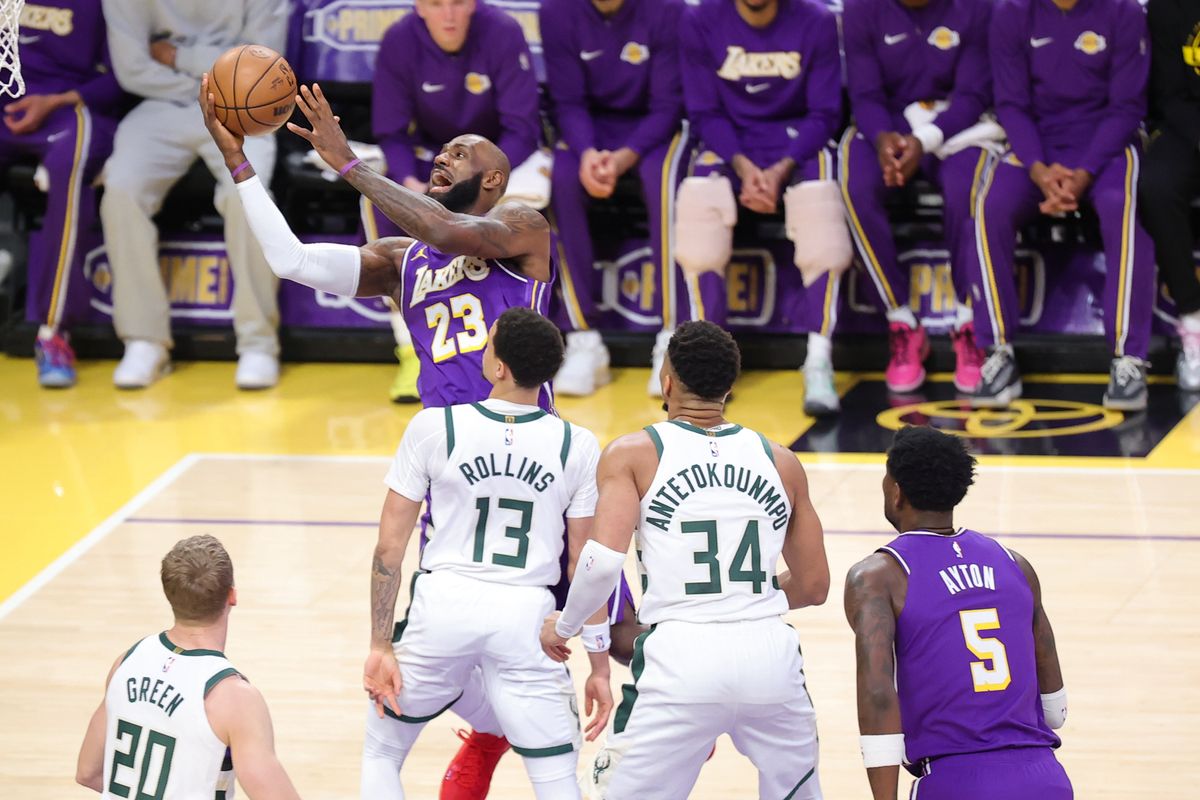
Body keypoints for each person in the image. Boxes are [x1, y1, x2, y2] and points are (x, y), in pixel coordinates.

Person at [200, 80, 640, 798]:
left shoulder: (522, 230)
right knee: (463, 642)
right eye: (438, 149)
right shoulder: (403, 261)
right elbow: (294, 263)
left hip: (540, 463)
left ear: (494, 178)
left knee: (612, 620)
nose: (442, 156)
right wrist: (241, 167)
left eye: (459, 151)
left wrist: (352, 168)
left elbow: (450, 231)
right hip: (452, 462)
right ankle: (501, 734)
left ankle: (658, 717)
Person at [541, 320, 831, 800]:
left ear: (667, 381)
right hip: (771, 660)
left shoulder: (634, 454)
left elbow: (601, 563)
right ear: (730, 386)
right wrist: (742, 597)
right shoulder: (781, 461)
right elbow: (815, 585)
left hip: (679, 660)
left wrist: (565, 625)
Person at [361, 307, 611, 800]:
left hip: (443, 605)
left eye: (488, 342)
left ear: (498, 367)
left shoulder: (434, 427)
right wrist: (598, 665)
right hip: (526, 614)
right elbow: (586, 558)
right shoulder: (577, 444)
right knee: (556, 779)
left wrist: (379, 644)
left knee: (382, 754)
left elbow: (390, 547)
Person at [844, 425, 1071, 799]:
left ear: (896, 491)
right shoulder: (1016, 564)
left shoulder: (877, 577)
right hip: (1046, 778)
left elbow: (878, 695)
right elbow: (1054, 713)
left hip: (957, 780)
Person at [970, 0, 1153, 410]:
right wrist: (1038, 169)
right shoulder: (1011, 13)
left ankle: (1129, 357)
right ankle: (997, 351)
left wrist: (1083, 171)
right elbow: (1012, 105)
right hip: (1037, 145)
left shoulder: (1124, 12)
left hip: (1106, 145)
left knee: (1121, 205)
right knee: (990, 205)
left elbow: (1127, 108)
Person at [99, 0, 287, 390]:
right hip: (163, 104)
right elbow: (133, 69)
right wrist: (218, 75)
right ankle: (144, 340)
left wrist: (176, 55)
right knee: (121, 188)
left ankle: (258, 342)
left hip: (243, 110)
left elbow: (268, 65)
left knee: (247, 197)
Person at [676, 0, 845, 416]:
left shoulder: (818, 20)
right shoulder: (700, 19)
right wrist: (744, 166)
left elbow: (825, 113)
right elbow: (703, 112)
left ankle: (819, 358)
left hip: (796, 142)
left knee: (820, 205)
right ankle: (706, 368)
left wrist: (781, 168)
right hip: (731, 142)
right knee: (699, 198)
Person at [370, 0, 541, 402]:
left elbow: (522, 128)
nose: (448, 14)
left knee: (527, 210)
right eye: (436, 3)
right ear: (419, 7)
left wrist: (481, 183)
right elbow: (391, 133)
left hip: (496, 161)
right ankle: (412, 348)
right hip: (433, 159)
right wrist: (413, 184)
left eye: (458, 3)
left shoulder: (502, 31)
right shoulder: (399, 39)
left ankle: (515, 351)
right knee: (377, 200)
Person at [74, 535, 303, 798]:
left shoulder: (127, 661)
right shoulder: (234, 698)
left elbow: (87, 772)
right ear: (232, 596)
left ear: (169, 595)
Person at [840, 0, 992, 394]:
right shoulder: (861, 9)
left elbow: (974, 95)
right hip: (887, 127)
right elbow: (865, 93)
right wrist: (882, 139)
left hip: (956, 128)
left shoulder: (978, 7)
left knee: (968, 187)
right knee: (854, 186)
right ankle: (901, 320)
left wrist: (924, 141)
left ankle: (968, 321)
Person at [539, 0, 689, 398]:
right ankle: (583, 339)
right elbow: (567, 102)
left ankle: (672, 339)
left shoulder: (668, 10)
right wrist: (588, 152)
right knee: (558, 182)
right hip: (588, 130)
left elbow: (668, 105)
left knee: (665, 178)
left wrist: (623, 158)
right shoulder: (557, 11)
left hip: (651, 129)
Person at [3, 1, 122, 388]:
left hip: (68, 108)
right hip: (7, 104)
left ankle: (53, 333)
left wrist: (56, 101)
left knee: (68, 172)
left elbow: (122, 78)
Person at [1140, 0, 1200, 392]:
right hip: (1189, 127)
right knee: (1155, 186)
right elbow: (1170, 95)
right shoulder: (1167, 6)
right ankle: (1194, 322)